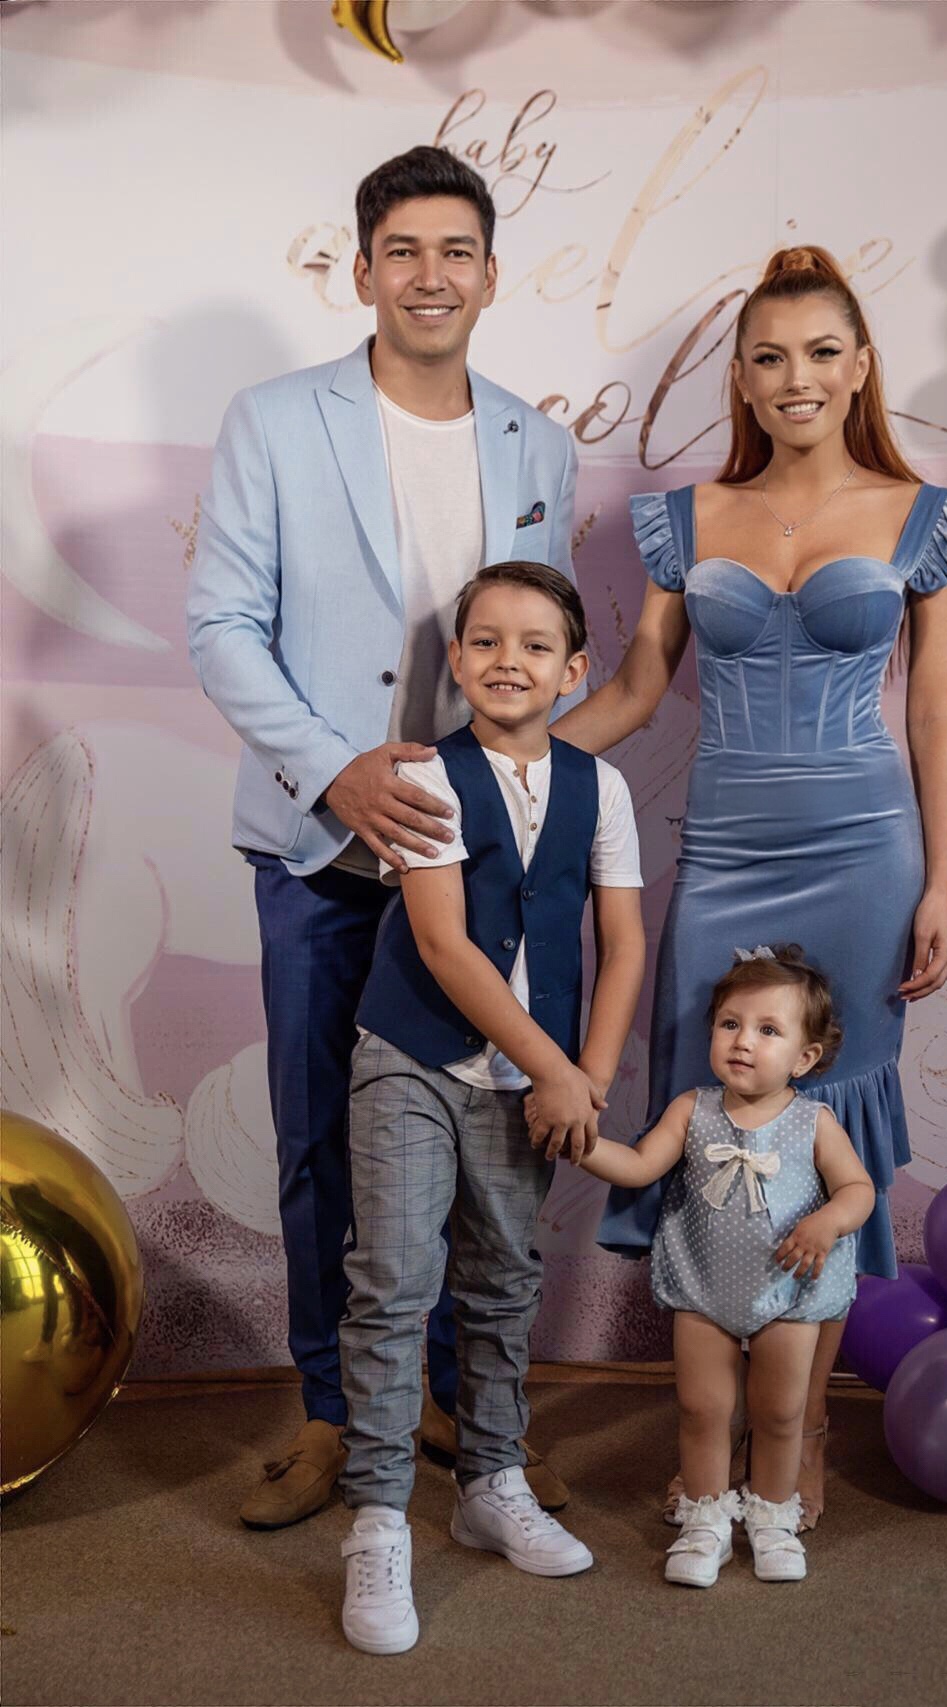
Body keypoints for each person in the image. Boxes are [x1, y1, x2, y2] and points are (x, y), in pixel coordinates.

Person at [552, 244, 947, 1529]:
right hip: (727, 854)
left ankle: (792, 1450)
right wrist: (499, 758)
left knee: (827, 1128)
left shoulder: (924, 517)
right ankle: (711, 1439)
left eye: (819, 352)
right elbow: (635, 692)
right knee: (713, 1121)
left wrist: (940, 884)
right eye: (768, 357)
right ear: (739, 379)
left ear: (859, 367)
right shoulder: (686, 520)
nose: (795, 376)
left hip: (866, 855)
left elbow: (934, 715)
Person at [186, 145, 580, 1529]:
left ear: (490, 273)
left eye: (454, 250)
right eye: (401, 250)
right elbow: (221, 625)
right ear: (361, 271)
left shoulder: (540, 446)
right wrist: (331, 770)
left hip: (474, 868)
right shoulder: (273, 420)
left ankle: (445, 1403)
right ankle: (330, 1407)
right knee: (319, 1143)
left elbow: (542, 641)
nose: (429, 275)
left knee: (474, 1140)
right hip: (320, 848)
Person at [338, 562, 645, 1655]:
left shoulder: (600, 789)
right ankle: (378, 1518)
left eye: (534, 644)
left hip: (534, 1081)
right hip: (413, 1059)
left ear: (574, 669)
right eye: (483, 640)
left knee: (505, 1277)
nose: (507, 660)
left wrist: (585, 1077)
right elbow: (441, 943)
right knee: (393, 1281)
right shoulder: (426, 775)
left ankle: (490, 1481)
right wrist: (553, 1069)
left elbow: (622, 945)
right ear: (457, 661)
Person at [579, 947, 873, 1585]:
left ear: (803, 1058)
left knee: (780, 1413)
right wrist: (581, 1142)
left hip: (787, 1291)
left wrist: (827, 1221)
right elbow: (639, 1166)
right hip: (705, 1285)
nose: (743, 1041)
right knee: (702, 1408)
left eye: (768, 1030)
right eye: (730, 1024)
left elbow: (858, 1190)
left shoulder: (814, 1121)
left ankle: (771, 1517)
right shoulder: (693, 1109)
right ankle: (705, 1522)